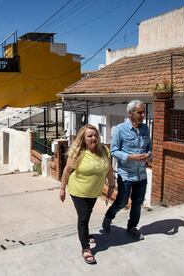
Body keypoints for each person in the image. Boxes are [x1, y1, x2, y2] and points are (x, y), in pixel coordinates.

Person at [59, 124, 114, 264]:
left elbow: (109, 169)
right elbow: (66, 170)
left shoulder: (104, 151)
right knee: (83, 217)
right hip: (78, 190)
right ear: (83, 139)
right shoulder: (78, 152)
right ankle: (86, 248)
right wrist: (62, 188)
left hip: (94, 191)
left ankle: (85, 234)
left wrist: (112, 185)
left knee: (87, 213)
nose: (93, 138)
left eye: (95, 135)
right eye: (89, 136)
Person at [102, 100, 152, 240]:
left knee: (137, 202)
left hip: (141, 174)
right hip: (126, 175)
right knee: (122, 202)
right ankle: (109, 216)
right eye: (140, 112)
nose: (143, 115)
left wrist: (148, 155)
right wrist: (131, 157)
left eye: (144, 112)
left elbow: (149, 148)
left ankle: (132, 227)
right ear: (130, 114)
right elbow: (114, 151)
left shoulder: (145, 128)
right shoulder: (119, 129)